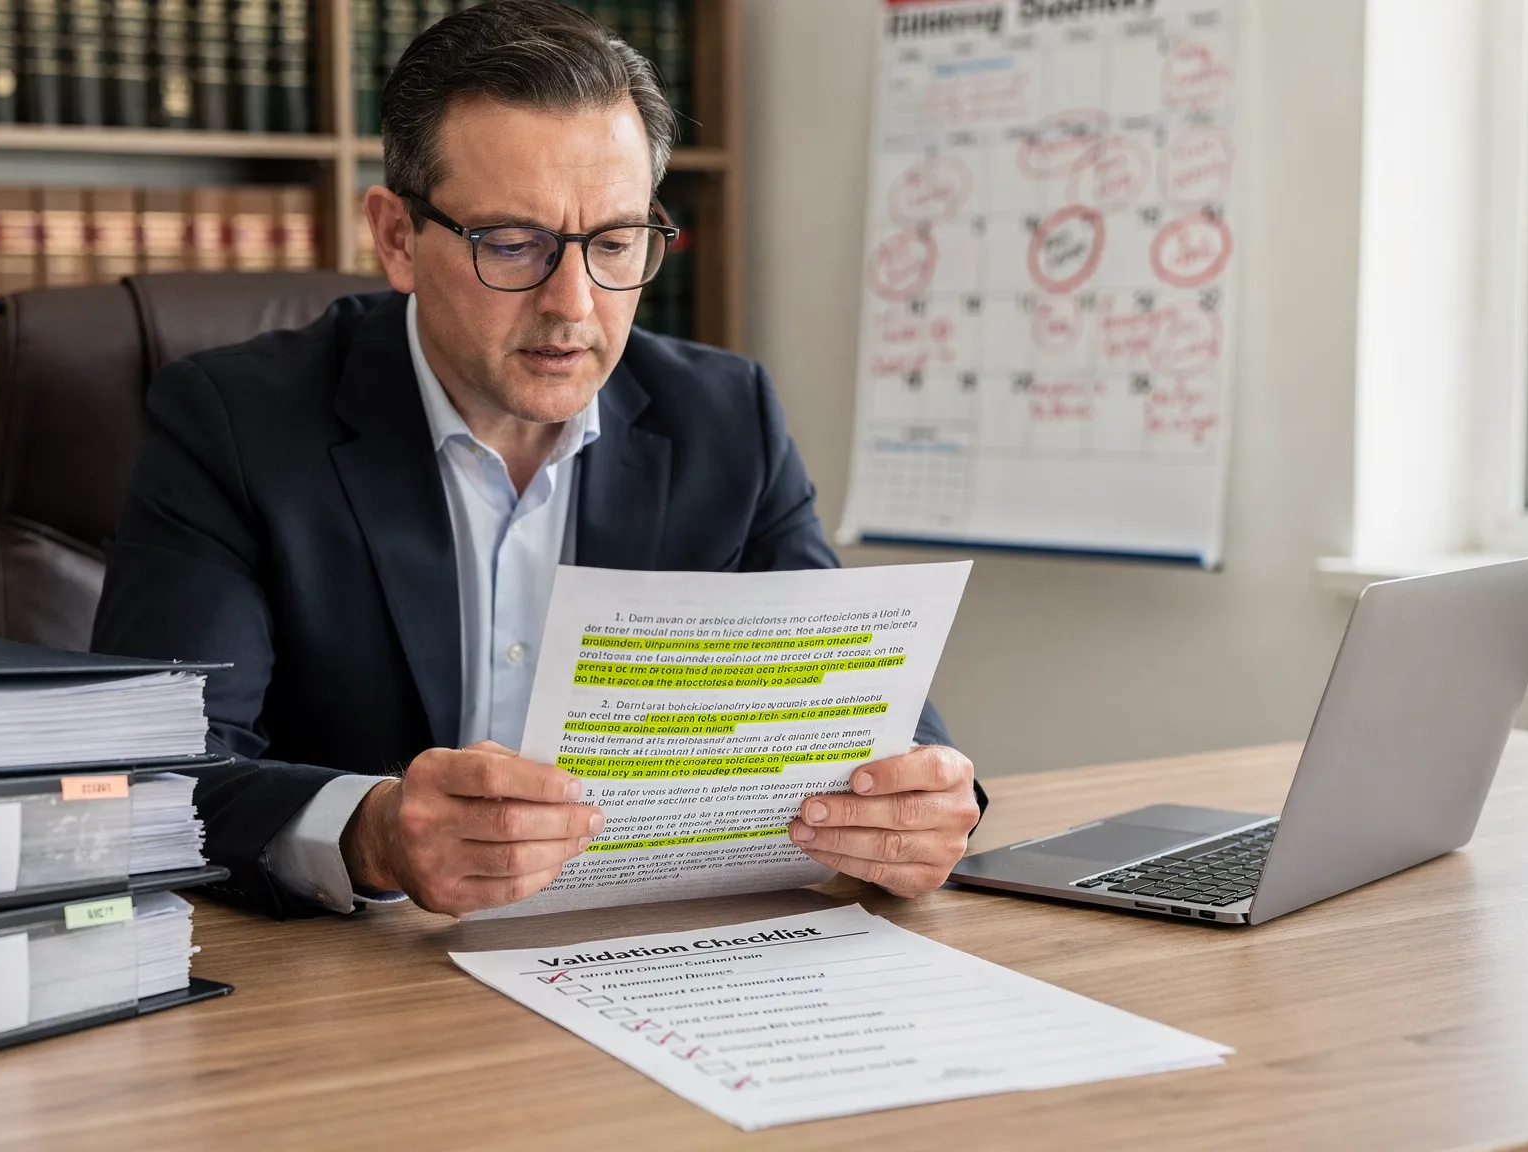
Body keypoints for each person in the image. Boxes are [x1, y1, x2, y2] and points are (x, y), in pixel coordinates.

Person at [90, 0, 984, 920]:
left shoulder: (725, 418)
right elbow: (157, 773)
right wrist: (372, 832)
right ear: (397, 236)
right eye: (514, 245)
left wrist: (922, 801)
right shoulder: (233, 423)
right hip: (360, 985)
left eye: (614, 243)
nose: (575, 305)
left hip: (645, 957)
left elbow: (851, 701)